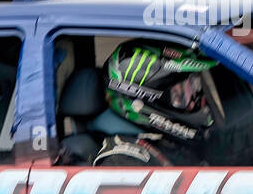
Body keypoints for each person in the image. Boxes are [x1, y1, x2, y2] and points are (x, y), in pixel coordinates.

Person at [93, 41, 222, 166]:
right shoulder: (123, 162)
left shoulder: (170, 144)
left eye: (195, 89)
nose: (199, 102)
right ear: (141, 103)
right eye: (179, 95)